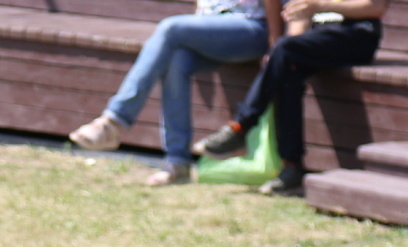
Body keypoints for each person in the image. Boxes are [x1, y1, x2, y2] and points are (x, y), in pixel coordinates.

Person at [68, 0, 281, 187]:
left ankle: (114, 120)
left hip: (253, 28)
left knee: (170, 28)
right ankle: (177, 163)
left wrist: (275, 44)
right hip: (215, 30)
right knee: (175, 60)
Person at [196, 0, 388, 197]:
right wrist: (281, 54)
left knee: (286, 52)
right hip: (318, 34)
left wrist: (320, 6)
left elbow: (375, 7)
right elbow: (299, 13)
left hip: (357, 34)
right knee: (286, 68)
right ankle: (291, 167)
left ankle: (241, 126)